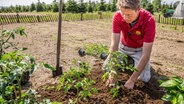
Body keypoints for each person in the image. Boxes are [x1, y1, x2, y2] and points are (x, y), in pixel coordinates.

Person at [103, 0, 156, 89]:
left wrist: (132, 80)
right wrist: (113, 72)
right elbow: (114, 45)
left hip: (139, 50)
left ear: (138, 9)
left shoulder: (149, 20)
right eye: (123, 13)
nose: (125, 17)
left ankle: (137, 62)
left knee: (144, 79)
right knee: (106, 68)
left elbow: (146, 53)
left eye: (129, 15)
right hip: (123, 48)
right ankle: (128, 60)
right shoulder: (117, 16)